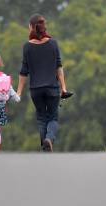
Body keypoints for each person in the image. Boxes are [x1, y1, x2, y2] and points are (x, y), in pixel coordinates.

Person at [16, 14, 72, 153]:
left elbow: (24, 72)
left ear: (31, 27)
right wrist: (63, 88)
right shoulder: (53, 43)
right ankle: (49, 139)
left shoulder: (27, 47)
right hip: (52, 88)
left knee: (41, 118)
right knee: (52, 117)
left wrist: (18, 92)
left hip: (36, 90)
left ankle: (44, 149)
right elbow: (59, 67)